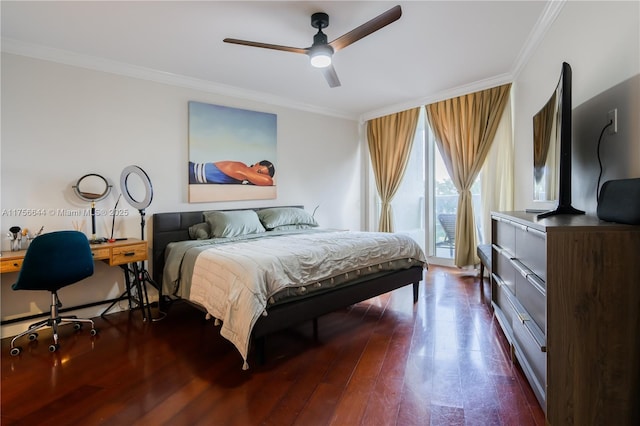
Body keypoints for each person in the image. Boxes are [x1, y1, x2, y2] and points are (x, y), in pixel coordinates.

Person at [189, 160, 275, 186]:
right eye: (259, 172)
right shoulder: (243, 169)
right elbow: (268, 181)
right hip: (191, 171)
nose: (257, 175)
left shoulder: (244, 175)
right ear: (256, 164)